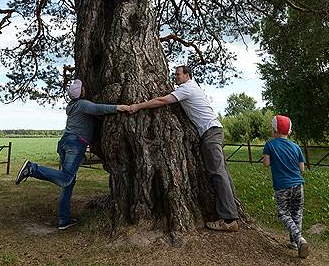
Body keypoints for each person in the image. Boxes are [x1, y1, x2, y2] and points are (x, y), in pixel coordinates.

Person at [129, 65, 239, 231]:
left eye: (178, 74)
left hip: (210, 133)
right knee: (221, 173)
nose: (175, 76)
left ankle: (229, 220)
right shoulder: (190, 88)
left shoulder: (187, 88)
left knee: (218, 174)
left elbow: (162, 101)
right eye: (175, 74)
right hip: (213, 131)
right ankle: (230, 214)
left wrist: (138, 106)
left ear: (187, 75)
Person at [15, 78, 130, 230]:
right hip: (75, 144)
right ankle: (32, 169)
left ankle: (64, 220)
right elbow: (99, 108)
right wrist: (121, 107)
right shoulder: (83, 104)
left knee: (68, 184)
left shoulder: (72, 106)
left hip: (65, 142)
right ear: (81, 92)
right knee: (65, 179)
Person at [263, 114, 308, 258]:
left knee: (284, 213)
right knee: (297, 213)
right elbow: (302, 168)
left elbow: (266, 163)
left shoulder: (270, 144)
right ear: (289, 131)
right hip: (298, 184)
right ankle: (295, 244)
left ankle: (299, 239)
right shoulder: (296, 147)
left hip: (282, 186)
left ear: (274, 130)